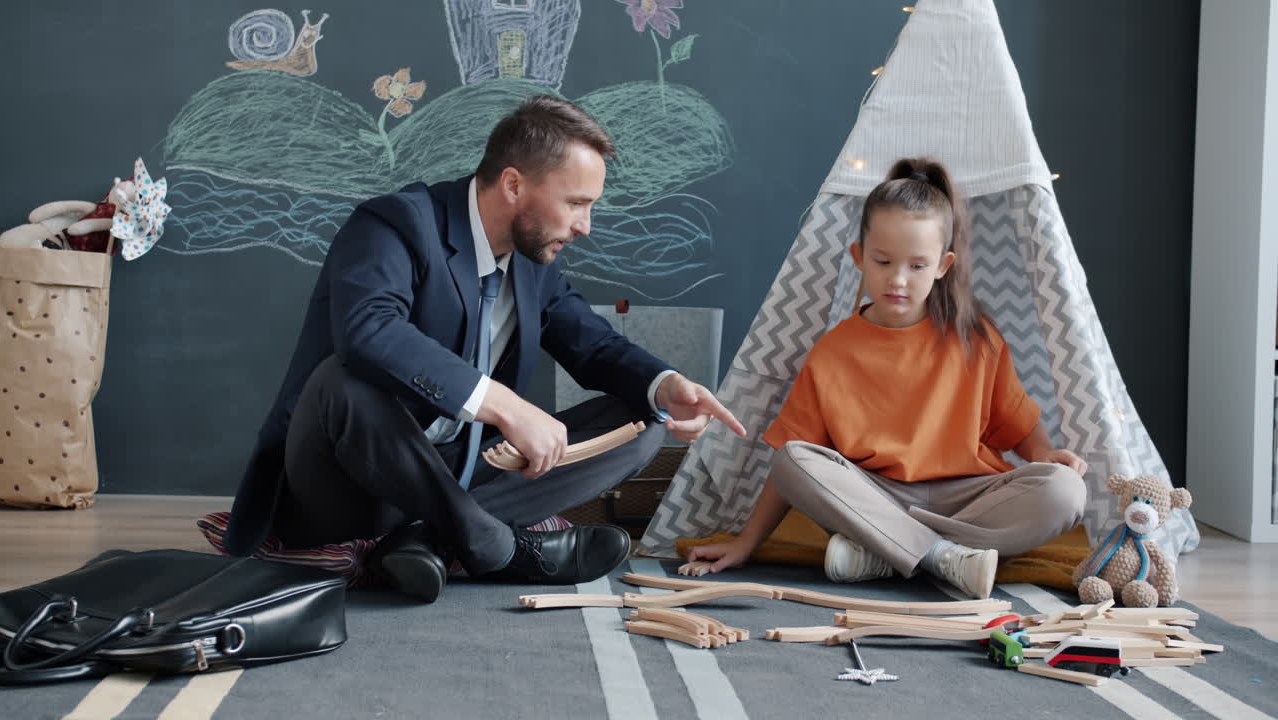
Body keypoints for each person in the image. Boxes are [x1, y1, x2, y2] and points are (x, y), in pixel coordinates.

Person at [222, 95, 746, 602]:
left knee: (641, 421)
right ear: (514, 184)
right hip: (354, 479)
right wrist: (506, 404)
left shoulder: (534, 262)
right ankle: (496, 546)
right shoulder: (395, 224)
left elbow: (595, 345)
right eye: (576, 203)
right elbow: (368, 332)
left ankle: (428, 537)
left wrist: (667, 385)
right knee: (342, 379)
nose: (585, 226)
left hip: (460, 468)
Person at [686, 158, 1087, 599]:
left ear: (943, 265)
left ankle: (888, 552)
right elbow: (792, 460)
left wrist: (1048, 454)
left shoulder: (976, 339)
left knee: (1064, 490)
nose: (898, 279)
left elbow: (1020, 425)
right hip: (878, 499)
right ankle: (938, 557)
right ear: (860, 257)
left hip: (968, 500)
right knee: (792, 461)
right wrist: (747, 544)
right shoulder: (833, 351)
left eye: (917, 266)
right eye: (883, 261)